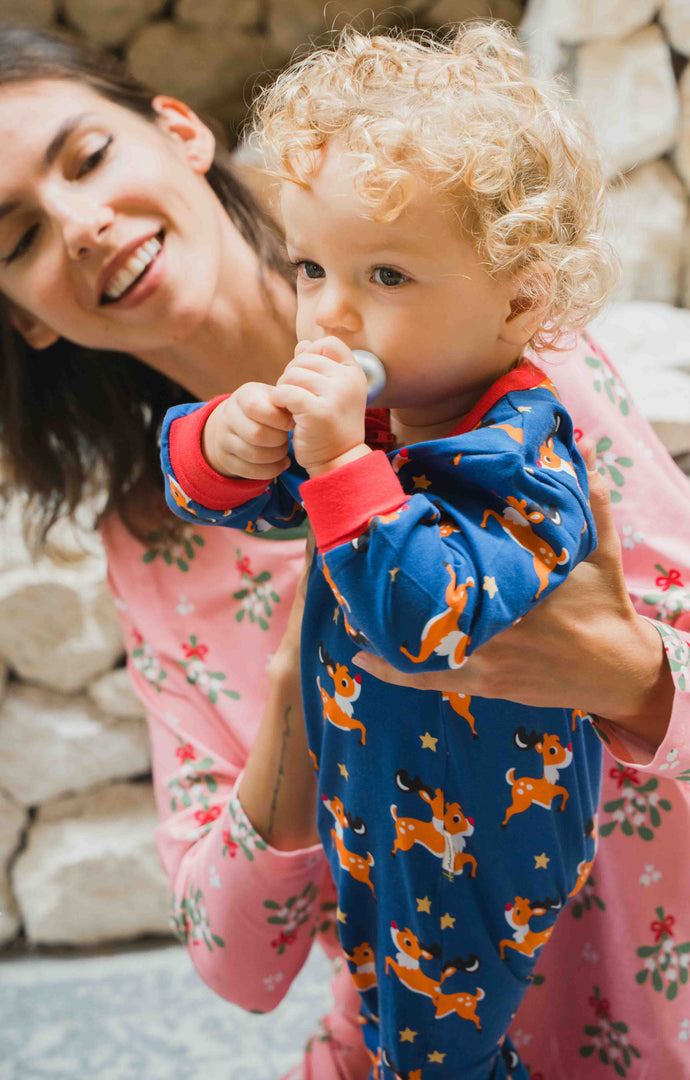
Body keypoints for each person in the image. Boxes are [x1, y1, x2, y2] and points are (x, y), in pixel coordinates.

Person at [0, 23, 690, 1080]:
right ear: (23, 319)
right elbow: (235, 966)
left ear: (182, 136)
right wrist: (292, 715)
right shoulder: (157, 538)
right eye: (16, 237)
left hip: (683, 1035)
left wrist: (625, 676)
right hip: (413, 1041)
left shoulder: (521, 392)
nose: (79, 226)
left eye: (86, 158)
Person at [161, 25, 617, 1077]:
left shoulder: (527, 458)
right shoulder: (381, 421)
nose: (328, 309)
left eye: (388, 275)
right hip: (379, 805)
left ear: (520, 300)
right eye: (312, 265)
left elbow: (428, 615)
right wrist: (226, 442)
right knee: (385, 1013)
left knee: (436, 1048)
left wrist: (328, 460)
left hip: (488, 836)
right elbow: (228, 500)